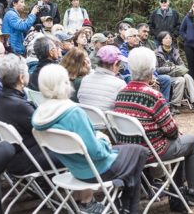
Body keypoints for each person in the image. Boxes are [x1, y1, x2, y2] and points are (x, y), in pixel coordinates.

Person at [32, 64, 148, 214]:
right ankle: (129, 207)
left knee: (131, 152)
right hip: (95, 171)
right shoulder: (72, 112)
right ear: (65, 83)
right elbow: (97, 152)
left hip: (74, 168)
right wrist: (104, 141)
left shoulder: (40, 115)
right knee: (140, 152)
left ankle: (125, 200)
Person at [114, 47, 194, 208]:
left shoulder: (121, 92)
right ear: (152, 70)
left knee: (180, 144)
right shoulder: (153, 95)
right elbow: (171, 131)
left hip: (127, 149)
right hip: (151, 151)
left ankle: (178, 192)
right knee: (192, 142)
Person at [0, 54, 62, 175]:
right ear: (21, 78)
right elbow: (48, 133)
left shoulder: (1, 98)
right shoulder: (19, 105)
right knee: (79, 153)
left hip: (11, 157)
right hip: (26, 160)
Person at [155, 31, 194, 113]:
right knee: (180, 80)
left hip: (176, 73)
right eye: (166, 38)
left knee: (188, 77)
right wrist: (169, 68)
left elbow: (182, 65)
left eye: (169, 38)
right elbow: (156, 69)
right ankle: (174, 105)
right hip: (166, 76)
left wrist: (176, 68)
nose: (168, 40)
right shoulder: (156, 53)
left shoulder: (175, 51)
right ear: (161, 41)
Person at [119, 28, 172, 104]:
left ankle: (163, 104)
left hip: (148, 75)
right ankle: (138, 104)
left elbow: (151, 64)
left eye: (138, 35)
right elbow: (128, 69)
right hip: (134, 77)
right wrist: (146, 78)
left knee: (166, 79)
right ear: (127, 38)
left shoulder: (143, 49)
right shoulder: (122, 52)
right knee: (129, 77)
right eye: (134, 36)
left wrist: (153, 76)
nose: (137, 37)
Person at [78, 45, 127, 112]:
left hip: (85, 120)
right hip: (107, 122)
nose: (119, 68)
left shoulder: (85, 79)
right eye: (120, 65)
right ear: (115, 64)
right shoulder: (120, 84)